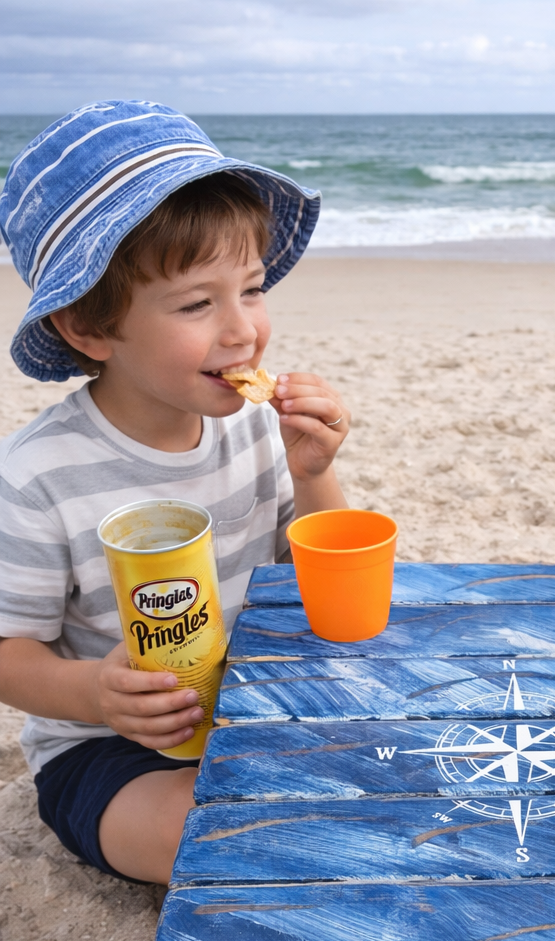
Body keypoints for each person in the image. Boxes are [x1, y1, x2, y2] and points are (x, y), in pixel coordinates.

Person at [0, 101, 350, 886]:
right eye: (198, 304)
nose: (243, 331)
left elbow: (326, 585)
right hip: (108, 743)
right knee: (213, 832)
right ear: (89, 328)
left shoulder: (258, 429)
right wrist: (95, 691)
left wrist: (314, 470)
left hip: (252, 694)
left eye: (253, 290)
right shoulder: (36, 475)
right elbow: (7, 652)